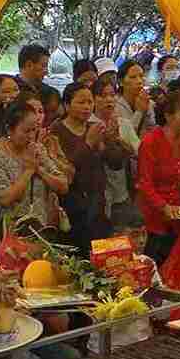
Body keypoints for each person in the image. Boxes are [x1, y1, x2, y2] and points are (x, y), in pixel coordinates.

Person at [135, 89, 180, 265]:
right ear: (168, 116)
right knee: (154, 264)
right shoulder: (150, 142)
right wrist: (164, 207)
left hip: (177, 214)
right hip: (153, 216)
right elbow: (145, 183)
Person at [50, 83, 124, 254]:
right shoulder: (56, 131)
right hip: (71, 207)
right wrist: (88, 144)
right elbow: (64, 169)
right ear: (67, 105)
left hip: (97, 205)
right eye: (81, 102)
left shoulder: (95, 127)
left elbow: (115, 164)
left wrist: (112, 141)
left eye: (90, 102)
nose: (86, 107)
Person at [0, 98, 69, 243]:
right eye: (25, 131)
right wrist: (28, 171)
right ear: (10, 129)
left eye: (34, 130)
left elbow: (63, 186)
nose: (31, 136)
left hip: (42, 229)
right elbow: (5, 199)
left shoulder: (38, 150)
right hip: (11, 235)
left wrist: (40, 171)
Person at [93, 73, 142, 231]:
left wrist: (118, 141)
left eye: (112, 95)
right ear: (93, 99)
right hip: (98, 196)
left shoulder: (124, 124)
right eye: (103, 95)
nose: (109, 99)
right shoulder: (89, 125)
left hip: (121, 193)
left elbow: (139, 152)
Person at [117, 60, 153, 137]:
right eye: (133, 77)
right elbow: (127, 137)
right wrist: (139, 112)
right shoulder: (115, 106)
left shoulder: (148, 101)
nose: (139, 81)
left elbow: (151, 130)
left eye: (141, 76)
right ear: (121, 82)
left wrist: (147, 111)